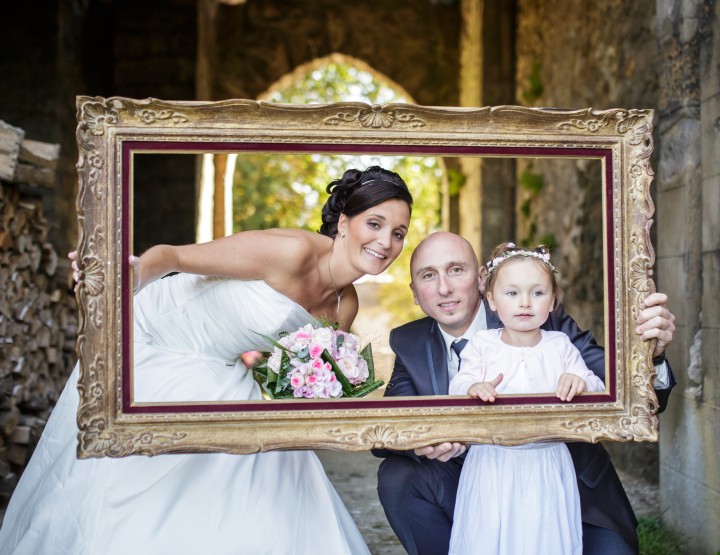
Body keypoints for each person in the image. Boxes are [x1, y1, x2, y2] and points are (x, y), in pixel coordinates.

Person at [0, 166, 413, 555]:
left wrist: (313, 389)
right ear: (343, 222)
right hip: (157, 336)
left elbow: (287, 370)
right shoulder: (290, 252)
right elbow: (171, 256)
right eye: (374, 224)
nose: (385, 242)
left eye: (398, 233)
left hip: (224, 361)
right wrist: (129, 276)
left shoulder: (346, 305)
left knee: (272, 454)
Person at [375, 231, 676, 555]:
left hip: (562, 488)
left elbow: (615, 385)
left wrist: (650, 355)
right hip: (477, 488)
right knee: (397, 475)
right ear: (415, 293)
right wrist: (421, 442)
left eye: (456, 270)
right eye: (428, 275)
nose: (444, 287)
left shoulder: (537, 317)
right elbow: (388, 428)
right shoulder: (409, 343)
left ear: (480, 279)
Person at [448, 242, 605, 554]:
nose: (525, 302)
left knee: (543, 535)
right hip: (492, 462)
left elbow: (598, 388)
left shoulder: (559, 345)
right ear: (491, 300)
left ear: (553, 301)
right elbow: (458, 385)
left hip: (546, 461)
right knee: (489, 534)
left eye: (537, 293)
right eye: (512, 293)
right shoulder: (482, 345)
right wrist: (473, 388)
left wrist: (580, 380)